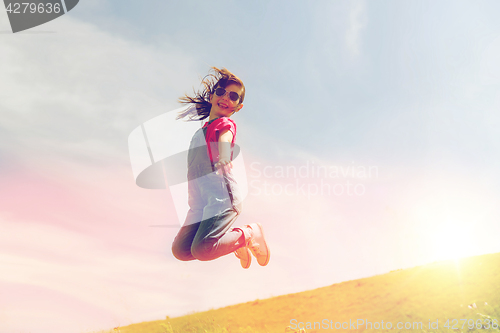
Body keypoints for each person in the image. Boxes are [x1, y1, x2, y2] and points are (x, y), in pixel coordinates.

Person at [171, 67, 269, 269]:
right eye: (221, 92)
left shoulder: (224, 124)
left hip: (221, 198)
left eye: (233, 96)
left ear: (238, 107)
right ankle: (232, 243)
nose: (226, 98)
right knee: (181, 250)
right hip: (199, 205)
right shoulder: (201, 132)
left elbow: (225, 137)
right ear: (212, 94)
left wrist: (224, 155)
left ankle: (249, 234)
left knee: (203, 250)